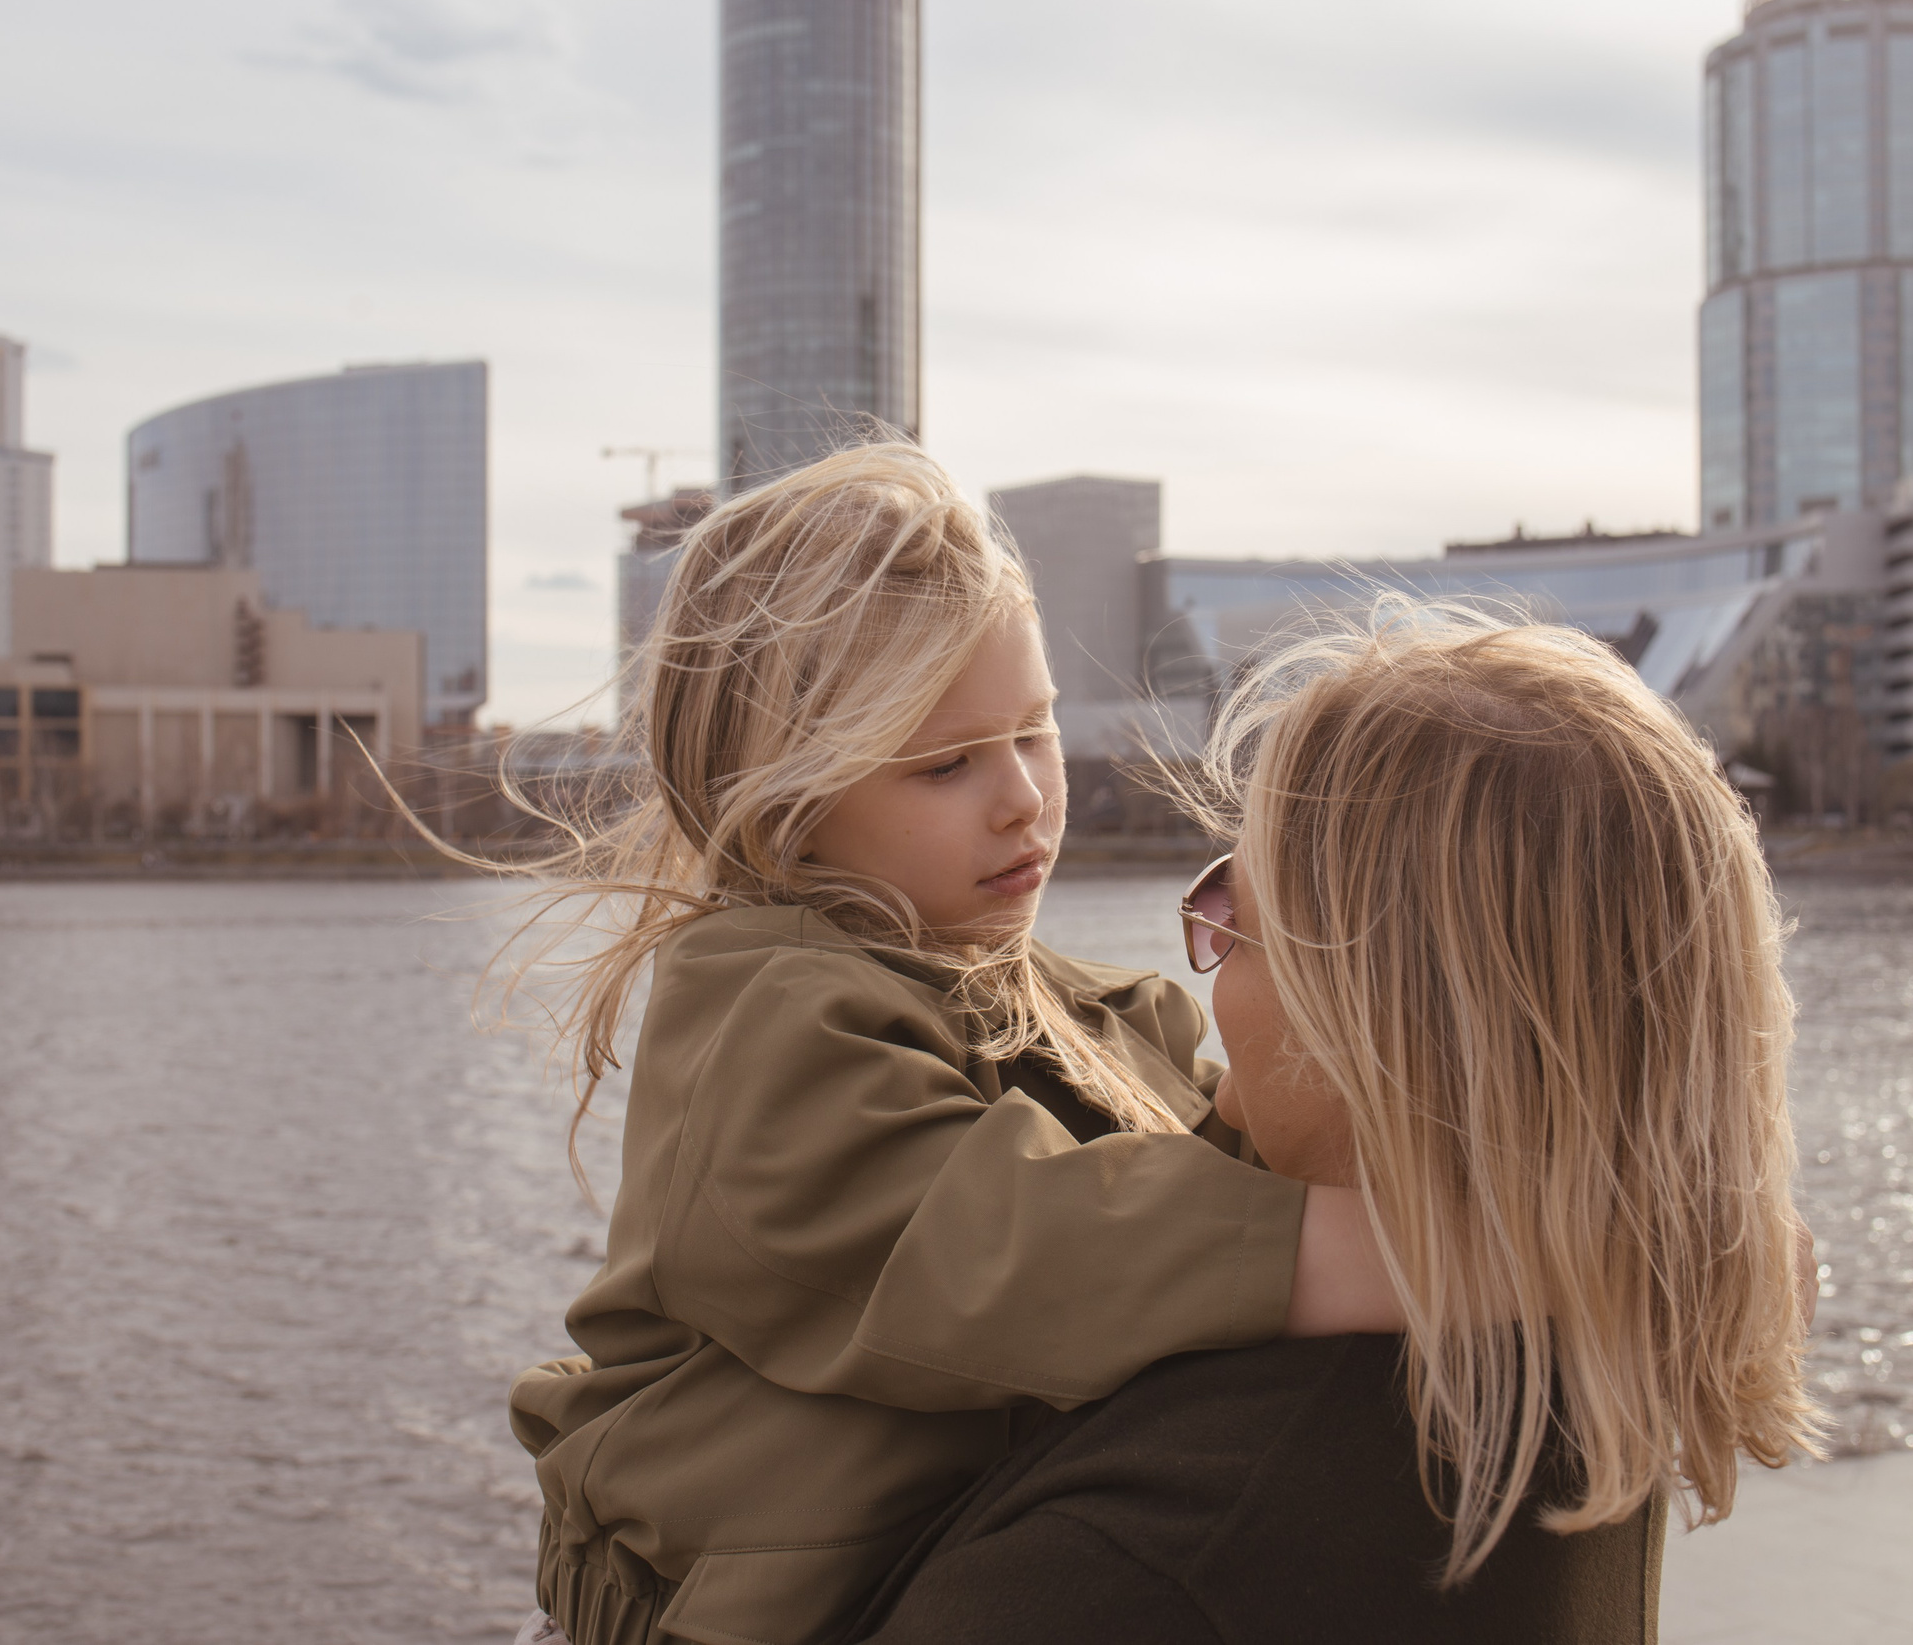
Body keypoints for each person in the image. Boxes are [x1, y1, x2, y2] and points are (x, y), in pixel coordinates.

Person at [488, 445, 1397, 1645]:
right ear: (789, 801)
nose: (1022, 795)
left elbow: (1191, 1167)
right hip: (720, 1609)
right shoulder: (769, 1023)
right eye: (944, 763)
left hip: (954, 1563)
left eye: (1034, 731)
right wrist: (1397, 1255)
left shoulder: (1100, 1013)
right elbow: (989, 1244)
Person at [853, 612, 1823, 1643]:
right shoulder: (1571, 1366)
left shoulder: (1155, 1556)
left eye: (1236, 917)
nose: (1206, 968)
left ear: (1374, 1015)